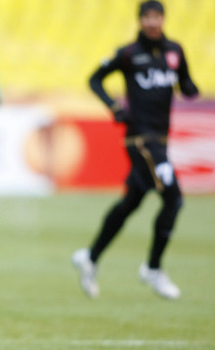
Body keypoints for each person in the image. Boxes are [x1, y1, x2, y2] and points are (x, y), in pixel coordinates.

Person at [72, 0, 198, 300]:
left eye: (157, 17)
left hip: (160, 139)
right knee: (174, 199)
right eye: (147, 17)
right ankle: (153, 268)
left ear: (163, 19)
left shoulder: (175, 51)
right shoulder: (129, 53)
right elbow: (94, 79)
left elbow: (185, 82)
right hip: (140, 139)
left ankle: (90, 256)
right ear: (140, 20)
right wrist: (115, 107)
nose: (152, 22)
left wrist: (189, 87)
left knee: (131, 202)